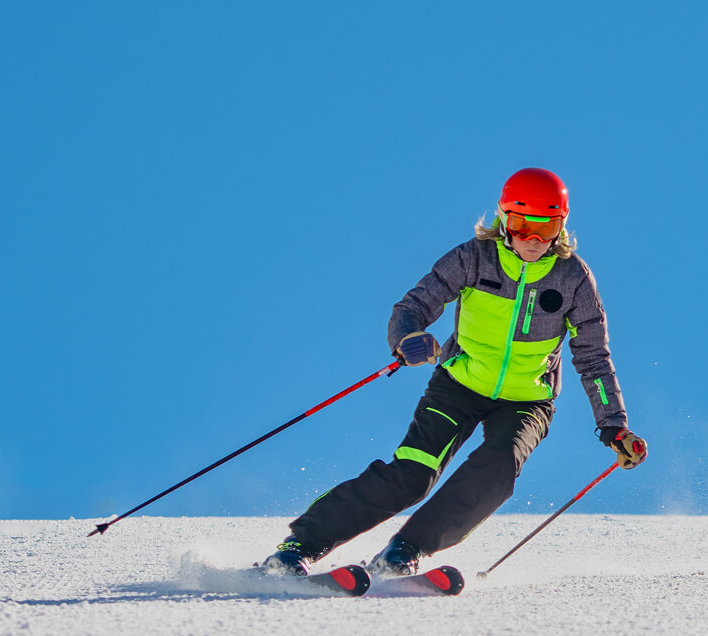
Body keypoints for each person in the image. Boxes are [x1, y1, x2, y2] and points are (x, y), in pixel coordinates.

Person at [263, 167, 647, 576]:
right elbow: (412, 308)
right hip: (459, 385)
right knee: (413, 473)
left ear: (561, 227)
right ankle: (299, 546)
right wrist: (408, 338)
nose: (532, 240)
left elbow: (593, 356)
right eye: (521, 225)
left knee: (499, 468)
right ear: (503, 220)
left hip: (527, 400)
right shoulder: (472, 258)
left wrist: (614, 425)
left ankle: (406, 550)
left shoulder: (573, 279)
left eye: (546, 227)